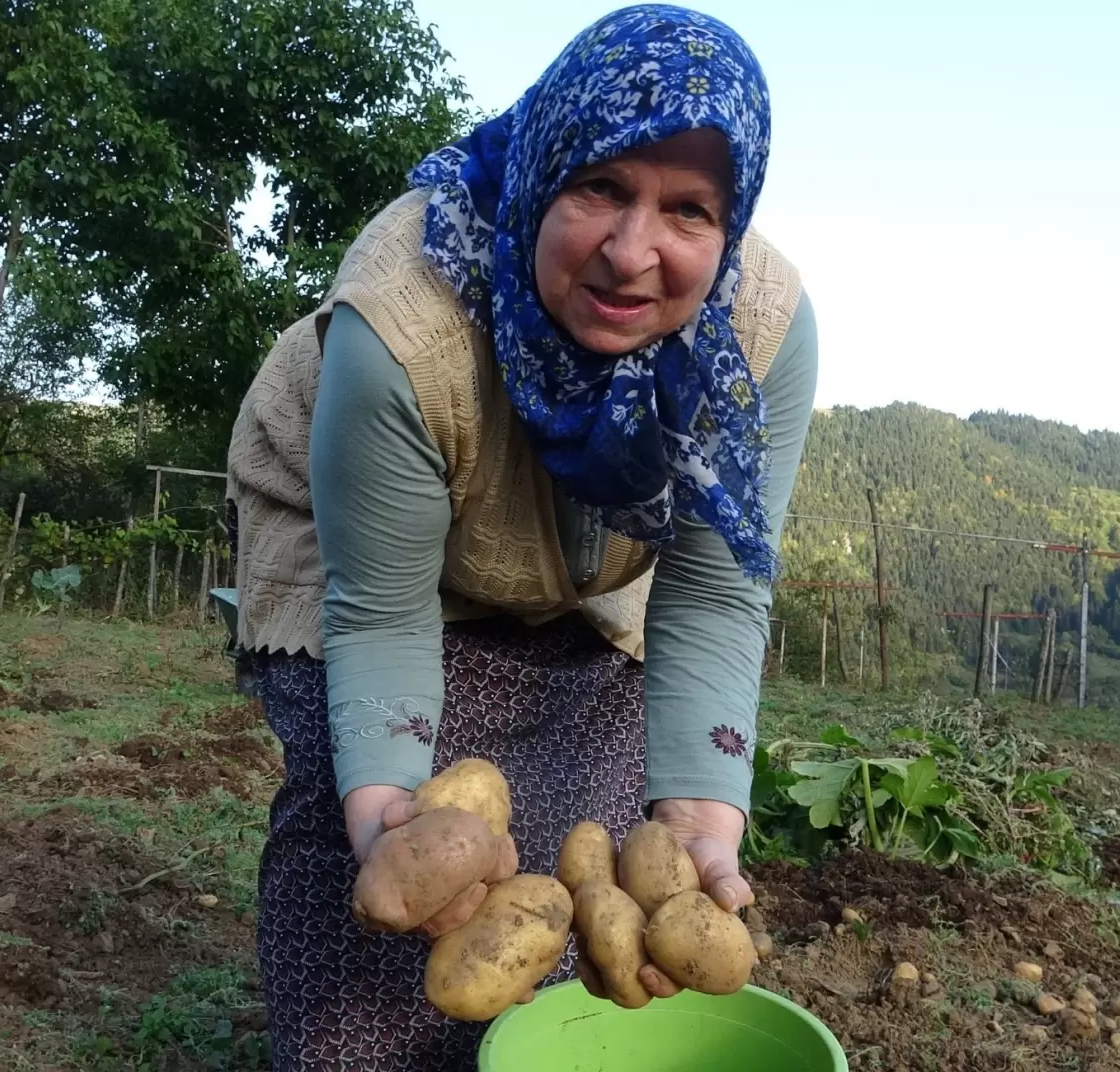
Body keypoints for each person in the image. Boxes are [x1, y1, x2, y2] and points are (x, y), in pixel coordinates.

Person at [226, 4, 818, 1068]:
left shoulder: (760, 330)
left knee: (575, 831)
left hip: (583, 556)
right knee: (365, 813)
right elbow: (381, 608)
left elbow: (717, 594)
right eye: (597, 186)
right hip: (355, 550)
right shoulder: (406, 319)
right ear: (543, 167)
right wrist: (391, 833)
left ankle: (508, 1047)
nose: (632, 252)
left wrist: (698, 816)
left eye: (688, 210)